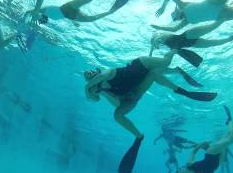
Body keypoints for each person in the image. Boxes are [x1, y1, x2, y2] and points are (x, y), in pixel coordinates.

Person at [84, 50, 217, 140]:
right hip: (141, 81)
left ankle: (175, 49)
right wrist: (97, 91)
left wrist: (86, 87)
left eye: (90, 71)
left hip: (140, 64)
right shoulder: (107, 91)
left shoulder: (108, 73)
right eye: (87, 76)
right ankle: (139, 137)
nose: (89, 73)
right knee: (117, 115)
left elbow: (101, 76)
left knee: (165, 62)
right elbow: (96, 100)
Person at [150, 16, 233, 56]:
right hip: (191, 43)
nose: (157, 43)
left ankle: (232, 13)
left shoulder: (160, 35)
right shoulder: (166, 45)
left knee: (214, 26)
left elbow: (158, 35)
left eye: (156, 42)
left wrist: (155, 42)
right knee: (215, 43)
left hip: (187, 35)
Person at [177, 106, 233, 173]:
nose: (181, 170)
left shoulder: (189, 165)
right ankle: (230, 129)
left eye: (180, 170)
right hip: (218, 163)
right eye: (180, 171)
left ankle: (229, 120)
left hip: (211, 154)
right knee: (225, 140)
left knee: (231, 139)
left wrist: (201, 143)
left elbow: (193, 152)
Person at [152, 0, 233, 32]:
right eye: (173, 16)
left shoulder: (183, 6)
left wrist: (162, 7)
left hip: (213, 4)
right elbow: (174, 29)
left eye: (173, 13)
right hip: (220, 15)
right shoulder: (187, 21)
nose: (174, 14)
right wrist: (160, 27)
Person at [24, 0, 133, 26]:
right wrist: (74, 22)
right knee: (91, 19)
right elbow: (61, 16)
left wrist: (28, 17)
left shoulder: (41, 10)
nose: (42, 20)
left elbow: (29, 12)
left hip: (67, 7)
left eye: (40, 20)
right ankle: (111, 11)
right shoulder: (52, 17)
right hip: (70, 15)